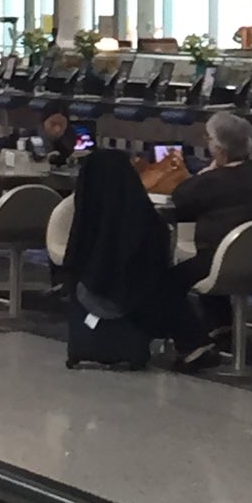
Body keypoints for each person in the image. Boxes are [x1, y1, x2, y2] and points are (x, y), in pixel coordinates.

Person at [63, 149, 218, 372]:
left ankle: (194, 343)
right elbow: (156, 264)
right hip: (136, 303)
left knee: (164, 286)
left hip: (90, 294)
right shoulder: (144, 219)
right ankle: (194, 343)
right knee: (167, 285)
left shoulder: (87, 215)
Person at [167, 112, 252, 337]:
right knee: (209, 263)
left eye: (209, 138)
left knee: (167, 281)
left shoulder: (212, 181)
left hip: (222, 260)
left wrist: (206, 172)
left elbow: (180, 198)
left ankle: (191, 340)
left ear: (219, 147)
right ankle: (221, 327)